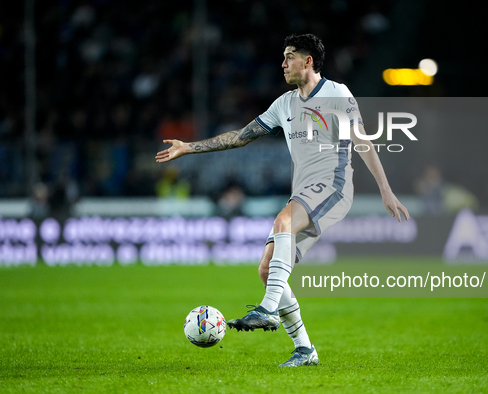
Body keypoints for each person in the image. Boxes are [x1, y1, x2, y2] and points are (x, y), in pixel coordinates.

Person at [155, 34, 410, 367]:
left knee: (283, 221)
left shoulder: (337, 94)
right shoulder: (284, 104)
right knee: (267, 268)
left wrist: (385, 189)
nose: (283, 63)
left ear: (308, 61)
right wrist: (190, 147)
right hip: (304, 193)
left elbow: (363, 141)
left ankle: (268, 309)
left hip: (333, 187)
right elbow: (240, 137)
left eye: (289, 57)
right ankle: (305, 349)